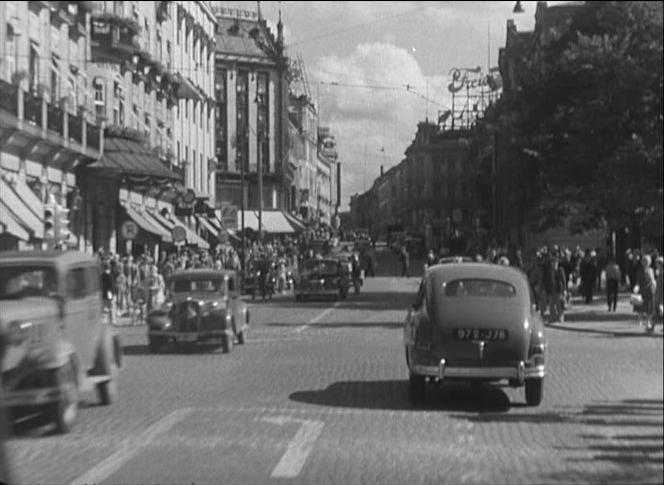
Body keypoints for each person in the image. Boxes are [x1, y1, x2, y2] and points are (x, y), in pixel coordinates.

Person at [636, 254, 657, 332]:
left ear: (650, 262)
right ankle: (640, 319)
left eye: (647, 261)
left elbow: (653, 280)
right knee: (641, 306)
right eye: (644, 261)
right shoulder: (640, 271)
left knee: (649, 308)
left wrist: (654, 286)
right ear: (642, 262)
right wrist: (636, 287)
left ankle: (648, 322)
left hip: (650, 291)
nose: (645, 262)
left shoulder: (651, 270)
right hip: (642, 290)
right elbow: (638, 281)